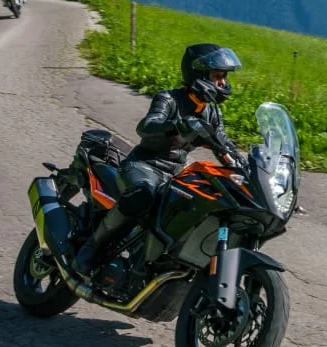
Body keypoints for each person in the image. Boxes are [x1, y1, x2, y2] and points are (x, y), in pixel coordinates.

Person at [73, 43, 246, 276]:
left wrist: (251, 172)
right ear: (198, 74)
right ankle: (91, 248)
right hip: (143, 166)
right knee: (142, 195)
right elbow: (146, 126)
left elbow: (225, 146)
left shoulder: (212, 113)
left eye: (224, 77)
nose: (223, 83)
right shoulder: (169, 99)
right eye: (217, 76)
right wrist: (176, 126)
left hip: (174, 175)